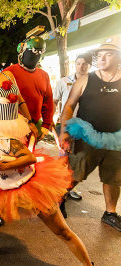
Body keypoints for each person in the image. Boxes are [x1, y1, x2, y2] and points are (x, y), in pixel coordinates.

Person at [0, 113, 92, 265]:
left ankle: (88, 264)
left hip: (32, 188)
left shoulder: (2, 140)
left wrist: (5, 166)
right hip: (6, 192)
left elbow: (30, 158)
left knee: (63, 232)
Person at [60, 36, 121, 232]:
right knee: (74, 174)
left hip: (116, 140)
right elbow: (69, 106)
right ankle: (58, 201)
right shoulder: (86, 79)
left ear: (118, 57)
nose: (102, 59)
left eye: (108, 54)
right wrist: (64, 131)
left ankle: (110, 213)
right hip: (86, 138)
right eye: (99, 55)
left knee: (113, 178)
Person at [53, 53, 92, 202]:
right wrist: (51, 119)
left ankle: (70, 188)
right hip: (66, 126)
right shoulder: (64, 82)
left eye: (85, 64)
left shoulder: (92, 84)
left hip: (86, 128)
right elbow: (55, 101)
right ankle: (58, 190)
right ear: (74, 64)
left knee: (80, 161)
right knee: (64, 159)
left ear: (89, 66)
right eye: (78, 63)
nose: (81, 67)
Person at [5, 36, 54, 141]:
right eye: (32, 52)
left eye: (39, 52)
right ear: (22, 51)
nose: (35, 55)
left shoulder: (44, 75)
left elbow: (48, 102)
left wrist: (46, 125)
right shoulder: (9, 72)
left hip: (36, 126)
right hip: (14, 126)